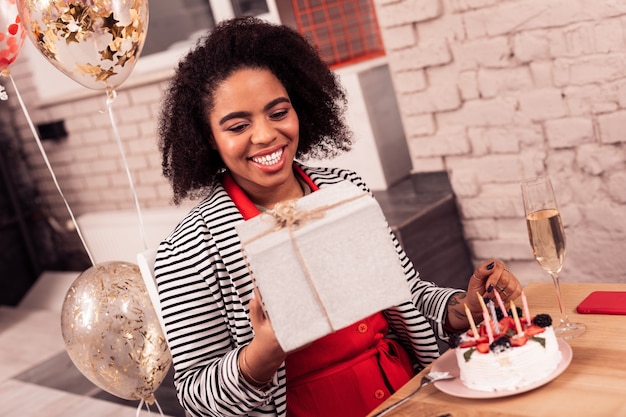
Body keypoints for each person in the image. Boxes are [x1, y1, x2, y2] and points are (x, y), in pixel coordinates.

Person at [154, 16, 523, 417]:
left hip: (410, 396)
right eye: (238, 125)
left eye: (278, 112)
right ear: (208, 137)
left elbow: (409, 296)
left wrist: (463, 306)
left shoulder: (346, 191)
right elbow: (194, 397)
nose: (264, 135)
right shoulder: (189, 247)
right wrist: (261, 355)